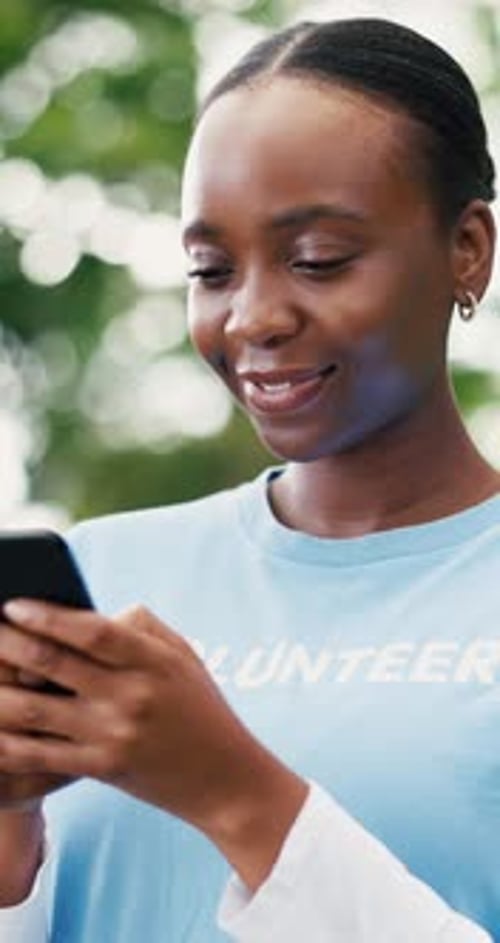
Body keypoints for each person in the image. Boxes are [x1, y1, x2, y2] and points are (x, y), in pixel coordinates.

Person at [0, 14, 498, 942]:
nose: (253, 317)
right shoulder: (98, 580)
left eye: (318, 261)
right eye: (212, 270)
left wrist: (234, 792)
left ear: (468, 247)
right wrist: (12, 830)